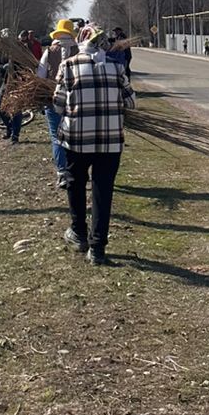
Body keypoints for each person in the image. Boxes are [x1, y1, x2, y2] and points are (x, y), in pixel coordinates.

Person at [51, 24, 136, 266]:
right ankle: (97, 249)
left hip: (76, 140)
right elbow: (131, 103)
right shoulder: (117, 67)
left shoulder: (68, 66)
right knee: (103, 191)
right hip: (110, 142)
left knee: (75, 183)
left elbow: (57, 104)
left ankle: (78, 233)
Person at [38, 18, 77, 188]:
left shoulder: (49, 51)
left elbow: (40, 75)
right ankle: (75, 170)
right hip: (75, 101)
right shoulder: (79, 50)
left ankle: (62, 173)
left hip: (52, 99)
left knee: (56, 137)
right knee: (74, 136)